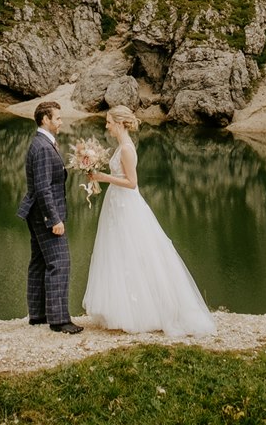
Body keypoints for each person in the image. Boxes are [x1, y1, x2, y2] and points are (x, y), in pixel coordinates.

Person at [82, 105, 216, 336]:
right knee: (117, 253)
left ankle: (143, 312)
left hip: (126, 205)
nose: (106, 125)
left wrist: (103, 177)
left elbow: (133, 183)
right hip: (116, 203)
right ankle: (120, 310)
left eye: (109, 121)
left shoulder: (126, 148)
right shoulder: (120, 147)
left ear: (121, 123)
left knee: (134, 252)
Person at [17, 99, 83, 333]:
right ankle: (59, 320)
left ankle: (38, 314)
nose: (61, 121)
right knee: (59, 262)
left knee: (39, 262)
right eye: (57, 118)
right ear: (45, 119)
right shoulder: (43, 147)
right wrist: (54, 219)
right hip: (45, 213)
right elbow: (44, 188)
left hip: (35, 211)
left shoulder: (42, 143)